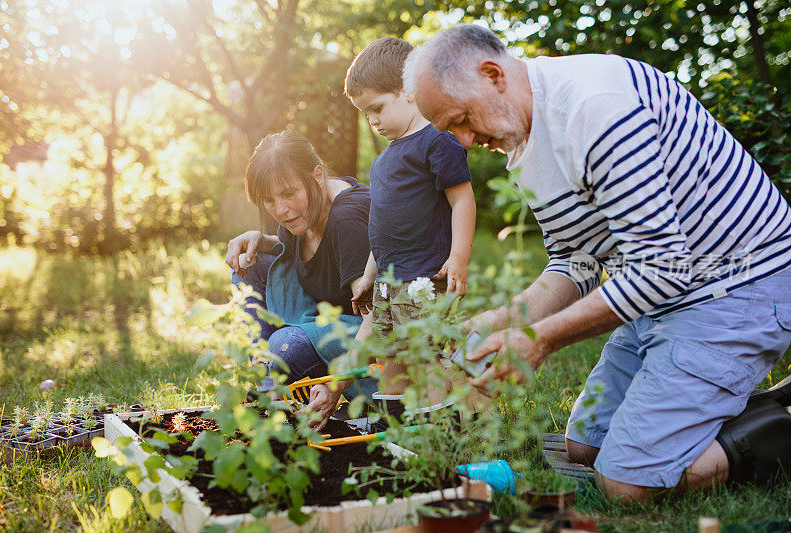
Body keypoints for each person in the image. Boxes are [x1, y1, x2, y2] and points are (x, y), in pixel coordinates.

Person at [403, 24, 791, 501]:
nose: (463, 139)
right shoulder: (524, 138)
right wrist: (502, 320)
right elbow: (576, 261)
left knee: (625, 483)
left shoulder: (593, 107)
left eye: (462, 118)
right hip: (663, 299)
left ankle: (780, 428)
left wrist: (539, 340)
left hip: (738, 287)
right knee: (583, 445)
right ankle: (732, 404)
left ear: (492, 75)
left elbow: (662, 269)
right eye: (450, 129)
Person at [344, 37, 477, 406]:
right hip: (388, 283)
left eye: (377, 108)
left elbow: (462, 198)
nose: (372, 121)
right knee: (391, 360)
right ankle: (400, 440)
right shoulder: (383, 160)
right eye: (365, 113)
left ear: (407, 90)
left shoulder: (437, 142)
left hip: (423, 279)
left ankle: (440, 435)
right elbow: (380, 224)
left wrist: (460, 256)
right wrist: (371, 274)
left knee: (426, 358)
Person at [225, 130, 376, 430]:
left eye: (288, 194)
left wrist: (337, 384)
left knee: (285, 346)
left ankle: (273, 383)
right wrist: (262, 239)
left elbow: (380, 315)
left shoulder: (346, 219)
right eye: (269, 201)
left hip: (367, 343)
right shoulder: (306, 208)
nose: (281, 210)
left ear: (317, 175)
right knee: (250, 268)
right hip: (324, 321)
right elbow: (302, 254)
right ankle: (266, 385)